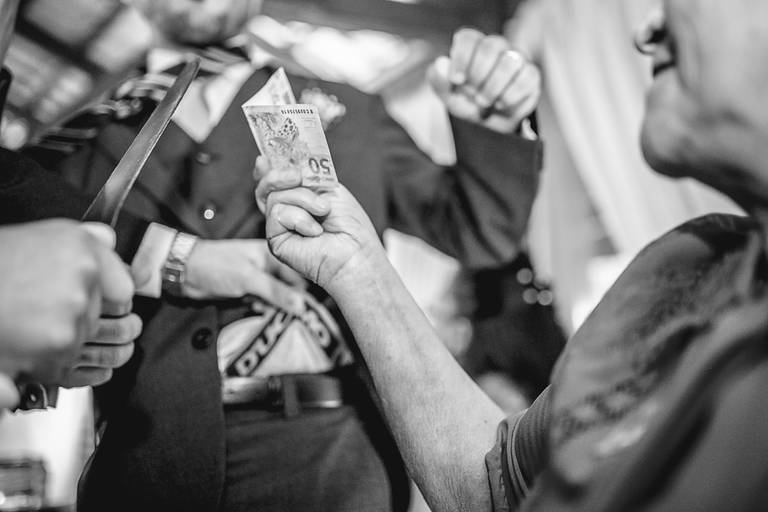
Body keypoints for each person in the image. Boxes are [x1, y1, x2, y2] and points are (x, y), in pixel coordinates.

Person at [24, 2, 545, 510]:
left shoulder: (351, 108)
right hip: (144, 465)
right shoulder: (78, 138)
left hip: (339, 459)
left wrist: (490, 127)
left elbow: (480, 232)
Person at [257, 0, 768, 510]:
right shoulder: (683, 274)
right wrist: (355, 267)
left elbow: (479, 230)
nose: (646, 30)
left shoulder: (352, 108)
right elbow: (496, 487)